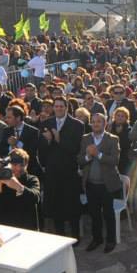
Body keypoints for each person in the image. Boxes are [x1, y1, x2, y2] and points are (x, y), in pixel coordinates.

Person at [39, 97, 84, 240]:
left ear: (66, 107)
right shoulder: (46, 123)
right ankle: (60, 235)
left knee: (72, 204)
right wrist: (48, 141)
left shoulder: (77, 124)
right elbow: (41, 150)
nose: (58, 108)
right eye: (56, 106)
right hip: (52, 171)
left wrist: (59, 139)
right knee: (56, 204)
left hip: (69, 171)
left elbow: (76, 148)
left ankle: (75, 235)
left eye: (61, 106)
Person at [78, 112, 122, 253]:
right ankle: (97, 239)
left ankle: (111, 240)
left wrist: (99, 154)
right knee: (94, 214)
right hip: (90, 184)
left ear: (105, 124)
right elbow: (79, 160)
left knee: (108, 214)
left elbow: (115, 161)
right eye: (93, 121)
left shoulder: (113, 139)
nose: (95, 124)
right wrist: (88, 156)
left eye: (99, 121)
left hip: (107, 184)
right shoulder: (85, 138)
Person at [0, 148, 41, 231]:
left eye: (21, 165)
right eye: (14, 165)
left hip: (27, 228)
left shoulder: (32, 179)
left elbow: (35, 197)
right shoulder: (2, 181)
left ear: (26, 165)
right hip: (5, 227)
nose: (18, 168)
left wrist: (18, 187)